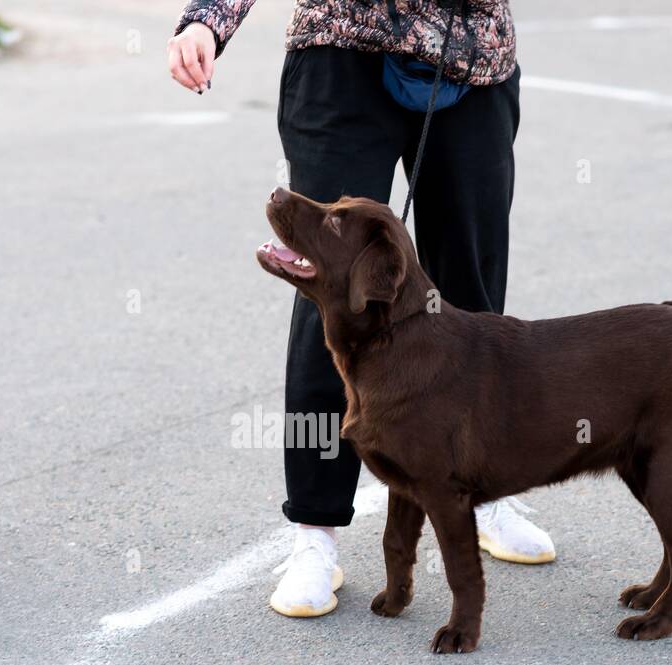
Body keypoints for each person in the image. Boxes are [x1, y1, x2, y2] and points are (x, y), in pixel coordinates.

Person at [168, 0, 556, 618]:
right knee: (327, 297)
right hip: (341, 51)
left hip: (474, 58)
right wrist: (206, 20)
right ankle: (313, 536)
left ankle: (483, 494)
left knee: (472, 295)